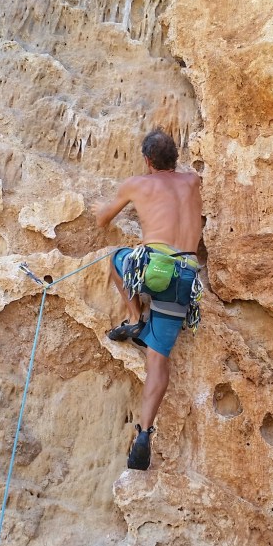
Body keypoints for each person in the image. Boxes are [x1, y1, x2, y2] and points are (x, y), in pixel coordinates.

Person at [93, 128, 202, 470]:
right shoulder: (193, 182)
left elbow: (102, 220)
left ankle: (134, 317)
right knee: (158, 360)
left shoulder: (137, 184)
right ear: (176, 158)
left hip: (151, 269)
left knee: (116, 258)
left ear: (146, 160)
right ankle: (144, 434)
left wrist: (100, 207)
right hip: (184, 277)